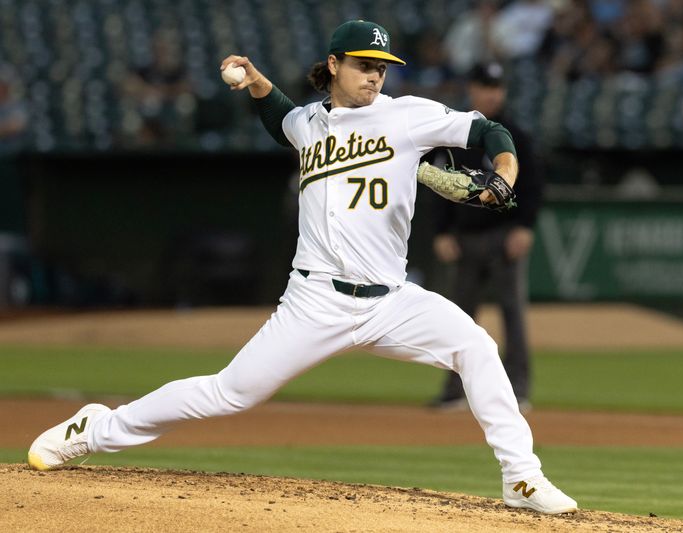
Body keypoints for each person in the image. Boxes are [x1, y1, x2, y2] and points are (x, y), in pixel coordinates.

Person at [27, 20, 577, 515]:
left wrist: (503, 171)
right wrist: (253, 80)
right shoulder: (308, 124)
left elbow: (488, 133)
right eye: (364, 65)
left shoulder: (409, 116)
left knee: (475, 345)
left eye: (381, 68)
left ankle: (522, 478)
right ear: (335, 65)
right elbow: (280, 116)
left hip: (391, 299)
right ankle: (94, 428)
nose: (374, 77)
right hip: (313, 302)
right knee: (229, 393)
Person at [428, 62, 543, 412]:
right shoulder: (456, 132)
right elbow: (437, 181)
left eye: (497, 86)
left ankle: (518, 391)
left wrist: (525, 226)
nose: (492, 93)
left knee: (512, 313)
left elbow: (534, 184)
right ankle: (454, 391)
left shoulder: (515, 135)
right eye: (485, 86)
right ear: (472, 90)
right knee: (459, 318)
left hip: (503, 235)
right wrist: (441, 232)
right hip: (465, 238)